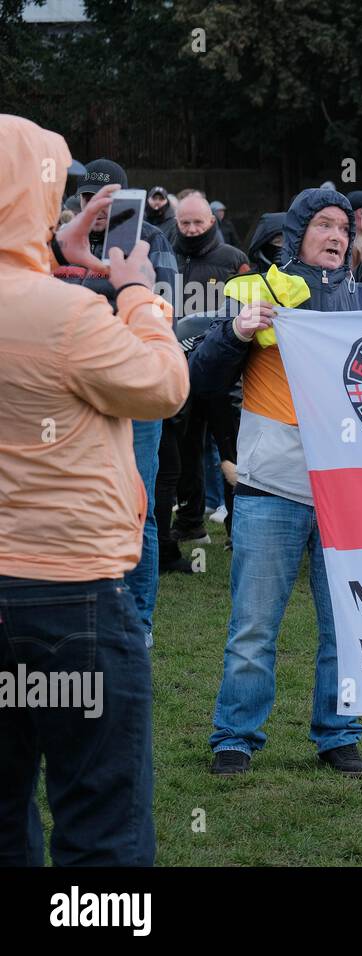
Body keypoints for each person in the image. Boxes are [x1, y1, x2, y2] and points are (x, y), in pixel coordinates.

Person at [0, 115, 188, 866]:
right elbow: (165, 385)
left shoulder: (52, 305)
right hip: (70, 597)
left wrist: (54, 256)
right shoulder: (67, 316)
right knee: (100, 818)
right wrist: (138, 292)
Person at [190, 187, 362, 777]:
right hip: (270, 486)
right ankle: (235, 735)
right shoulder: (260, 295)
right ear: (296, 232)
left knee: (345, 626)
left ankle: (338, 733)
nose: (336, 236)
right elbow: (201, 383)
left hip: (348, 495)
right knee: (253, 625)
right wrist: (236, 334)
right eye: (323, 225)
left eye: (344, 229)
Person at [55, 158, 180, 647]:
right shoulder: (63, 241)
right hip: (78, 392)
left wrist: (115, 293)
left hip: (135, 390)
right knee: (78, 500)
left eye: (111, 200)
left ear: (130, 199)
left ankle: (138, 622)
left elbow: (161, 313)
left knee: (137, 507)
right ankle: (84, 611)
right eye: (89, 199)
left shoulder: (154, 242)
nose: (99, 208)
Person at [160, 191, 249, 566]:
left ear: (212, 221)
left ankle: (238, 531)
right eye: (185, 223)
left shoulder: (234, 259)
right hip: (179, 369)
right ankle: (191, 522)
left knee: (232, 451)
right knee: (183, 452)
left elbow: (248, 309)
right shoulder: (167, 255)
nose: (192, 229)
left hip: (225, 371)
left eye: (198, 222)